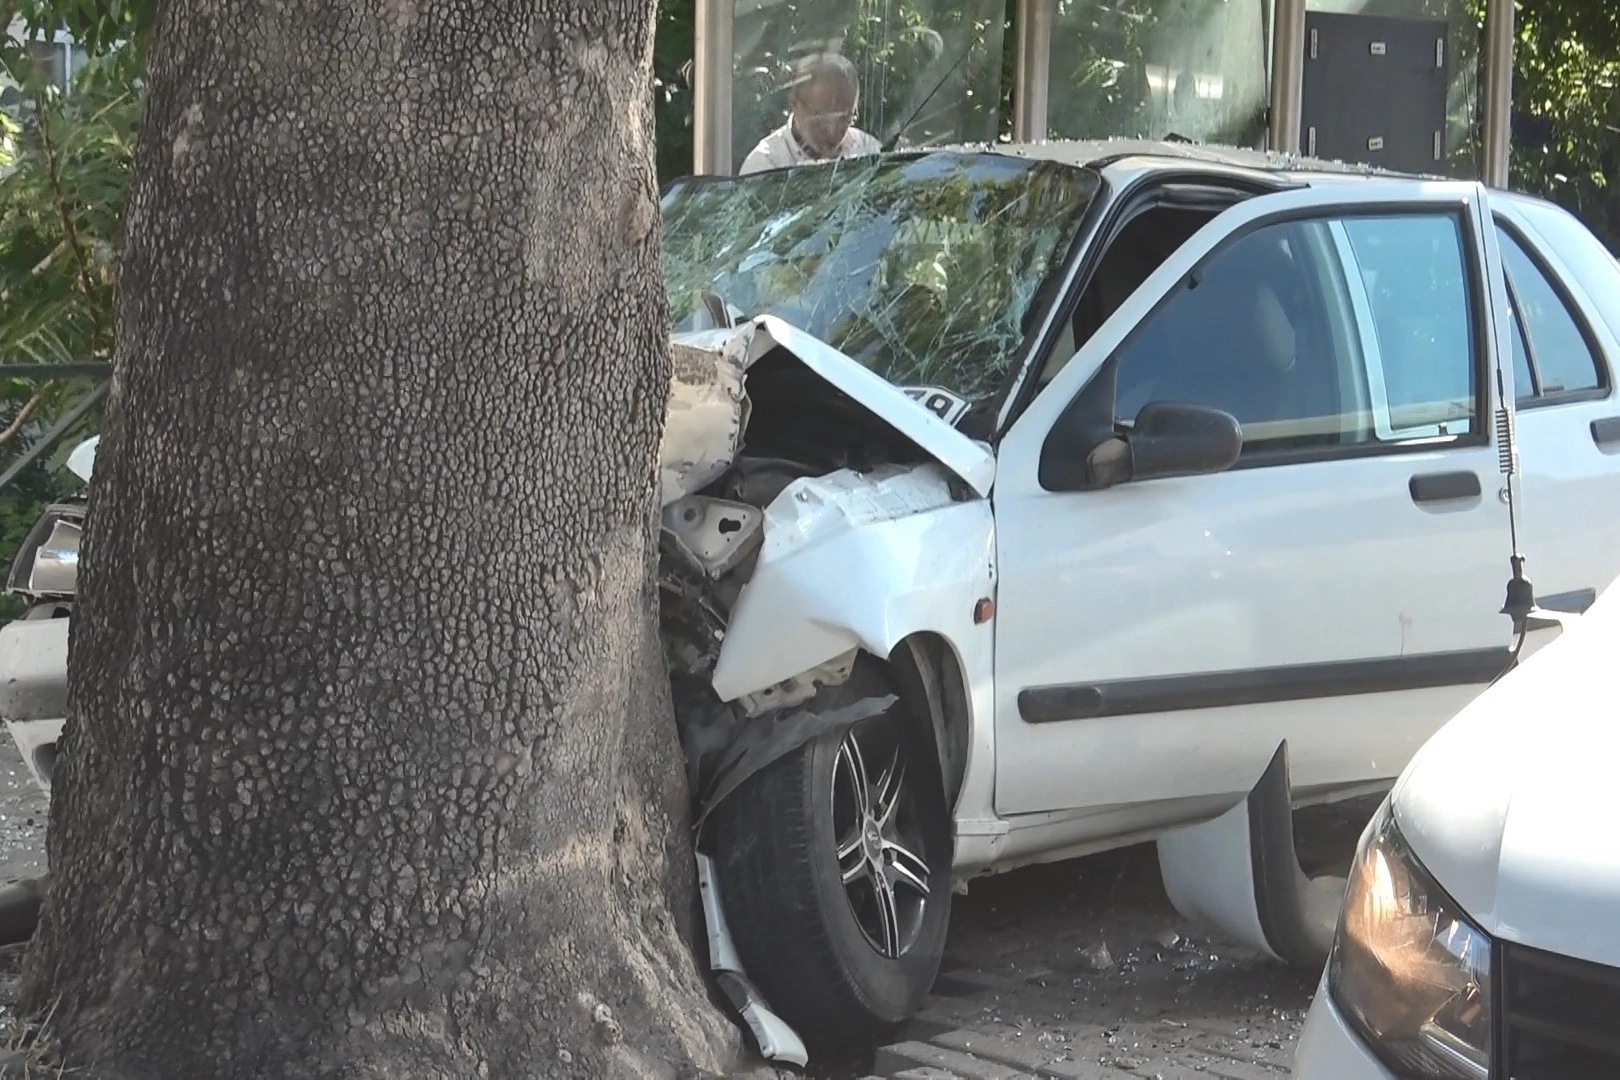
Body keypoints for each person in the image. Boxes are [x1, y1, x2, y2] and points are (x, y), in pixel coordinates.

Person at [739, 52, 882, 174]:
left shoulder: (868, 150)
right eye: (822, 120)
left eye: (845, 118)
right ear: (795, 105)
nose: (832, 132)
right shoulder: (766, 166)